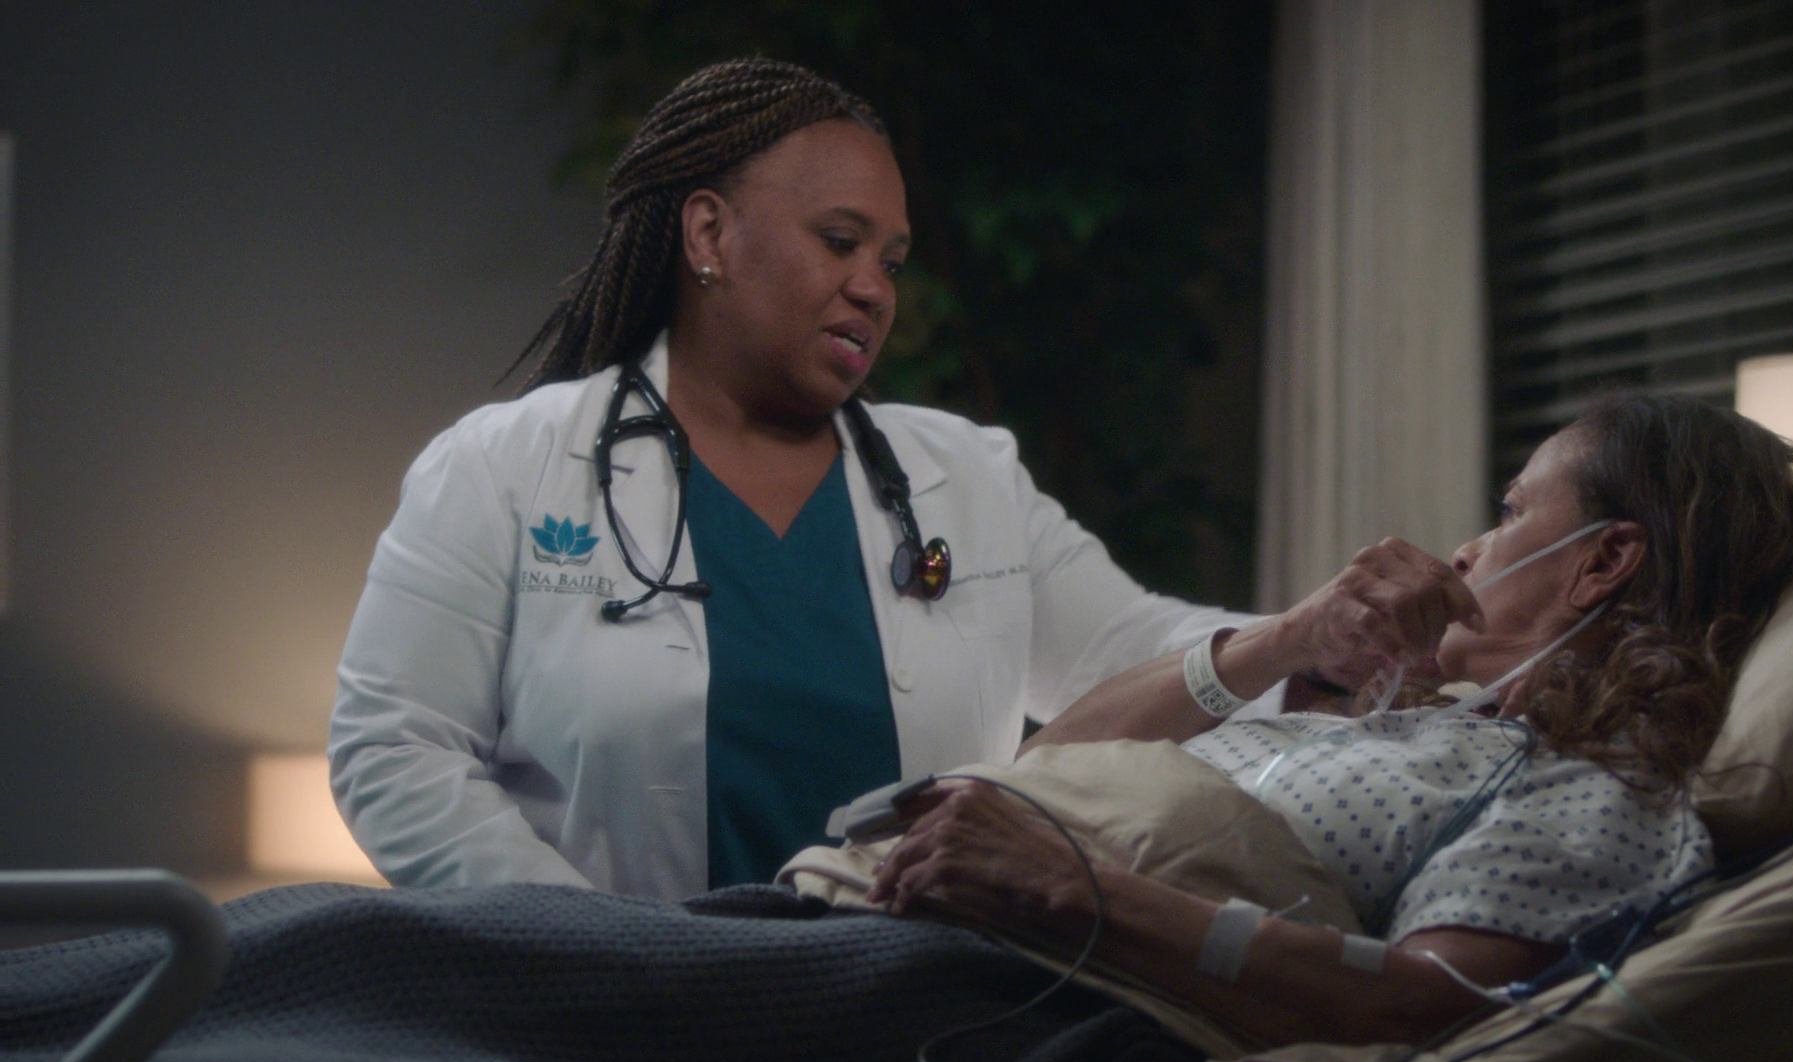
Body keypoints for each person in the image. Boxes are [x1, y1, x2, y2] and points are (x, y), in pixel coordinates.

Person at [327, 58, 1242, 900]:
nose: (875, 288)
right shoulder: (504, 468)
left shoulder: (969, 481)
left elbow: (1137, 650)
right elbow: (394, 748)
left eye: (890, 262)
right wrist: (590, 944)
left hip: (913, 996)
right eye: (840, 241)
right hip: (610, 999)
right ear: (710, 234)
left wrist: (1294, 642)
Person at [866, 390, 1793, 1048]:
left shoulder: (1585, 795)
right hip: (899, 914)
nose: (1467, 548)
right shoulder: (1390, 720)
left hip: (1010, 1000)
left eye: (1510, 512)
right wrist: (1284, 640)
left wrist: (1066, 889)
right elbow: (1041, 766)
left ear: (1603, 562)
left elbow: (1418, 1005)